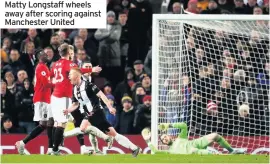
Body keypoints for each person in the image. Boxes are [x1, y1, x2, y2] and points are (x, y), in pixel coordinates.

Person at [64, 68, 141, 157]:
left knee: (83, 128)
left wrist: (110, 107)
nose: (69, 77)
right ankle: (134, 148)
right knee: (114, 134)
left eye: (70, 74)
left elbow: (101, 95)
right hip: (89, 113)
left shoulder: (88, 85)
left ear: (77, 75)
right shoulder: (74, 89)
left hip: (96, 111)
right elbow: (75, 104)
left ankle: (62, 136)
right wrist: (68, 110)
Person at [50, 43, 102, 155]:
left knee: (59, 122)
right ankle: (55, 150)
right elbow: (78, 71)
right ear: (68, 52)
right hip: (64, 96)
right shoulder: (69, 63)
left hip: (55, 95)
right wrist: (92, 69)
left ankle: (54, 148)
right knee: (62, 124)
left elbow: (53, 78)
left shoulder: (55, 64)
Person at [15, 51, 55, 155]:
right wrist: (58, 84)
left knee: (48, 123)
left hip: (45, 99)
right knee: (46, 123)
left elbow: (48, 78)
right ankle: (24, 143)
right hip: (42, 99)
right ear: (39, 57)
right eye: (43, 54)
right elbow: (46, 84)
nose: (46, 55)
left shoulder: (45, 68)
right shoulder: (41, 67)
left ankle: (50, 149)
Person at [142, 122, 246, 154]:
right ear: (164, 144)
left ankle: (232, 150)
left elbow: (183, 125)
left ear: (169, 136)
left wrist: (169, 125)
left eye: (165, 136)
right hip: (192, 151)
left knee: (215, 135)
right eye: (163, 140)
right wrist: (147, 140)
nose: (165, 139)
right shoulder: (169, 152)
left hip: (194, 143)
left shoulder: (180, 138)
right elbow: (155, 151)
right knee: (196, 152)